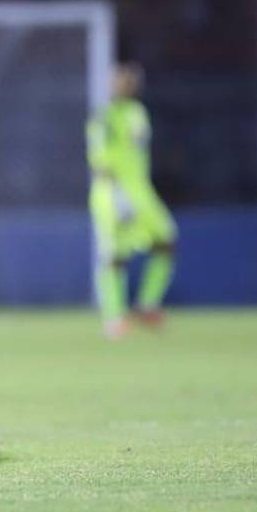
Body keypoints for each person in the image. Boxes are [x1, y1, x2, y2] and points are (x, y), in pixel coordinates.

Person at [87, 63, 176, 339]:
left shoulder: (138, 112)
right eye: (122, 79)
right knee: (114, 254)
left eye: (132, 79)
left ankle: (147, 304)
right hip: (112, 192)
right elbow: (100, 160)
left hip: (140, 192)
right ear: (112, 84)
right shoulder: (104, 118)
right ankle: (113, 318)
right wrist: (117, 195)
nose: (128, 83)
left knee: (166, 240)